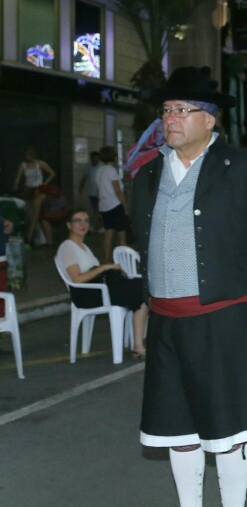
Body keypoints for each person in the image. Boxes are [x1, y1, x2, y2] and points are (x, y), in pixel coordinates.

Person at [127, 66, 247, 507]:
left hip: (224, 320)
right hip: (168, 322)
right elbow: (143, 239)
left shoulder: (241, 166)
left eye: (180, 111)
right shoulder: (151, 172)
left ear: (209, 118)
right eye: (165, 111)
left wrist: (245, 301)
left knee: (229, 430)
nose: (169, 120)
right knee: (179, 430)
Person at [55, 209, 148, 357]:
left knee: (140, 285)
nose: (83, 224)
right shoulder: (67, 247)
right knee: (139, 289)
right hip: (86, 294)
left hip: (98, 289)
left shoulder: (84, 247)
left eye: (86, 220)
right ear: (69, 225)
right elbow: (77, 279)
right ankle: (138, 344)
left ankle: (138, 343)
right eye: (77, 220)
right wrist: (104, 266)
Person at [95, 146, 131, 261]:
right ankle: (124, 261)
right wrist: (125, 207)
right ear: (113, 156)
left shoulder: (99, 171)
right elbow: (117, 191)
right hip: (115, 205)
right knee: (122, 235)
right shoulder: (111, 170)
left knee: (108, 233)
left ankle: (106, 260)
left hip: (104, 206)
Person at [78, 151, 103, 228]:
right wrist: (81, 188)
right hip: (92, 193)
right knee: (95, 210)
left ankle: (96, 225)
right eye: (93, 159)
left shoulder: (101, 166)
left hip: (101, 193)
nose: (95, 161)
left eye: (96, 159)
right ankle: (97, 225)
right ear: (91, 159)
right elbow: (84, 178)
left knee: (98, 210)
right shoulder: (88, 167)